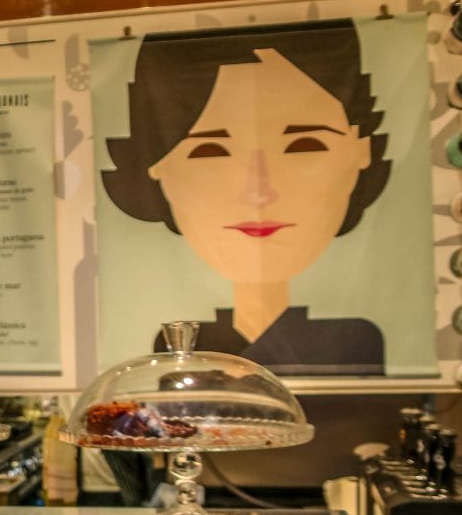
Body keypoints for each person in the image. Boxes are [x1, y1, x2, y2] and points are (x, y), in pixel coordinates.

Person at [102, 20, 392, 375]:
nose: (259, 192)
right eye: (210, 150)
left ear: (361, 150)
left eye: (304, 145)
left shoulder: (360, 343)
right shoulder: (161, 352)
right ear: (156, 165)